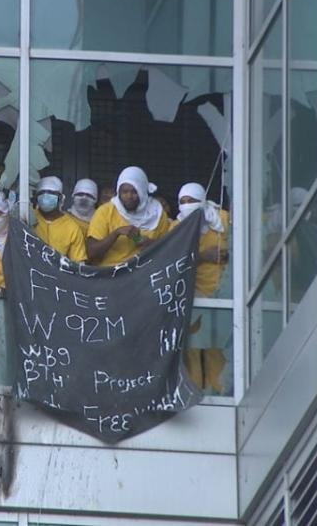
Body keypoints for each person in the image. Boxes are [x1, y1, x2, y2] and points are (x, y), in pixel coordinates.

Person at [174, 182, 230, 394]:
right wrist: (203, 257)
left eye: (193, 201)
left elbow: (245, 242)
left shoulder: (223, 219)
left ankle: (219, 389)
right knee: (194, 347)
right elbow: (172, 260)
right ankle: (197, 390)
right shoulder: (176, 227)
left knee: (217, 345)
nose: (187, 206)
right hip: (193, 295)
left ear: (203, 202)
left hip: (224, 293)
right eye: (183, 202)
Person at [86, 166, 170, 266]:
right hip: (112, 275)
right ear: (118, 192)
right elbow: (91, 253)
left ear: (143, 191)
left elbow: (169, 250)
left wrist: (150, 244)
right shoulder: (105, 211)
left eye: (134, 192)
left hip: (146, 275)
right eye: (124, 192)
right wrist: (116, 234)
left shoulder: (157, 213)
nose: (129, 196)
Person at [33, 176, 88, 262]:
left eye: (51, 193)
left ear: (61, 198)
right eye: (42, 193)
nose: (46, 196)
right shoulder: (28, 218)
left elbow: (78, 263)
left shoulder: (71, 227)